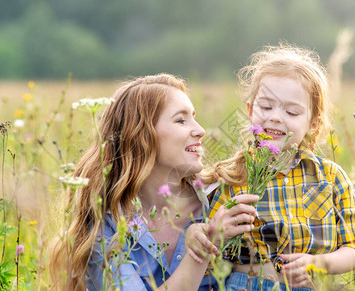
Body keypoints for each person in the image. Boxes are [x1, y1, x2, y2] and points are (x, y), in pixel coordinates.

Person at [49, 74, 258, 290]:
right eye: (181, 120)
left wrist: (295, 265)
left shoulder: (219, 200)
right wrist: (208, 244)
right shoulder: (106, 230)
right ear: (141, 136)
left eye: (194, 117)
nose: (200, 130)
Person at [203, 44, 355, 290]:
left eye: (291, 111)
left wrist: (317, 263)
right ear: (250, 111)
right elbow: (209, 255)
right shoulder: (232, 177)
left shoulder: (330, 177)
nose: (276, 117)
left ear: (313, 124)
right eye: (266, 107)